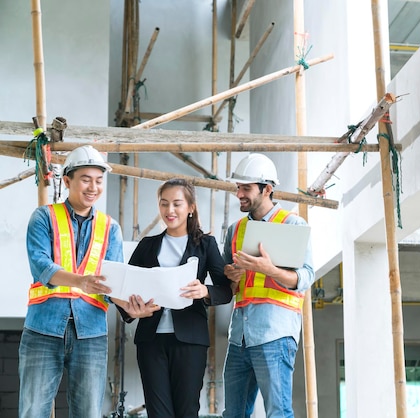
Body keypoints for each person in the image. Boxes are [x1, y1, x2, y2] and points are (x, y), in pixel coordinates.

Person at [19, 144, 124, 417]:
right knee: (33, 410)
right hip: (43, 328)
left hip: (90, 332)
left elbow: (114, 281)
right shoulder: (44, 217)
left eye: (99, 181)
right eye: (86, 179)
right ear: (67, 181)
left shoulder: (111, 228)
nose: (93, 187)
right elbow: (41, 265)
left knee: (88, 412)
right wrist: (81, 281)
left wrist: (133, 304)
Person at [115, 178, 233, 418]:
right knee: (158, 413)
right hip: (151, 341)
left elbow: (226, 290)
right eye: (164, 203)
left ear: (190, 207)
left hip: (190, 340)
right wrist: (132, 310)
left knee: (187, 411)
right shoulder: (147, 246)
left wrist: (205, 291)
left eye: (177, 204)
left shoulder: (206, 245)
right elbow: (124, 289)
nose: (170, 210)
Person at [221, 154, 315, 418]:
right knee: (233, 414)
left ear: (267, 189)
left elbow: (305, 278)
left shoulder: (292, 224)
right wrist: (231, 276)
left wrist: (269, 270)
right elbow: (229, 287)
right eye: (238, 187)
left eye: (246, 188)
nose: (239, 193)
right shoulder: (234, 230)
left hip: (275, 334)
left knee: (278, 413)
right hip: (239, 337)